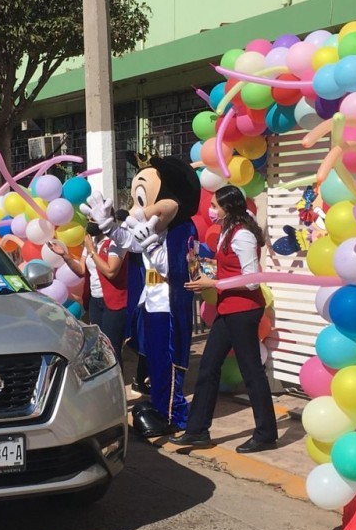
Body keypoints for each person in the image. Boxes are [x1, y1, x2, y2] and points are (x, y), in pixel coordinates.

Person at [81, 153, 200, 438]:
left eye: (144, 202)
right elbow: (130, 245)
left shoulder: (183, 230)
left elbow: (183, 269)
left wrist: (154, 250)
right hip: (149, 302)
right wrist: (109, 226)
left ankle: (174, 414)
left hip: (169, 305)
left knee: (170, 361)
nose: (139, 211)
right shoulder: (149, 229)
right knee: (155, 362)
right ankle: (160, 408)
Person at [171, 185, 278, 453]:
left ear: (228, 208)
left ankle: (266, 433)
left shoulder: (242, 236)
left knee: (252, 372)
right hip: (228, 308)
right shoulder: (226, 232)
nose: (211, 209)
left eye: (216, 206)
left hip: (243, 310)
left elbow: (252, 281)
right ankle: (197, 431)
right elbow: (227, 267)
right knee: (208, 367)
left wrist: (215, 283)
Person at [48, 218, 128, 367]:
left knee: (112, 347)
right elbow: (81, 271)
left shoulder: (115, 241)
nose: (90, 223)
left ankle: (116, 383)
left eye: (94, 219)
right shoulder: (92, 241)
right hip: (95, 300)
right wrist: (64, 255)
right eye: (88, 219)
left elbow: (111, 271)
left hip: (113, 301)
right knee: (98, 346)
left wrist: (92, 250)